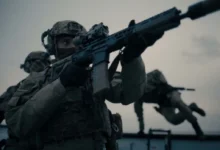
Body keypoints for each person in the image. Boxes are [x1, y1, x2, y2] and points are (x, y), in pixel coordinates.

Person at [5, 20, 163, 150]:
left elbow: (129, 94)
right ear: (54, 47)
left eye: (77, 41)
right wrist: (62, 84)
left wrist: (132, 58)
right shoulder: (36, 80)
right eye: (66, 42)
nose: (73, 47)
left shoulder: (95, 74)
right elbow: (18, 124)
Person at [133, 69, 206, 139]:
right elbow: (140, 116)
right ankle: (191, 107)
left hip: (170, 94)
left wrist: (162, 83)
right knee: (174, 120)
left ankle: (197, 128)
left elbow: (158, 72)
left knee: (178, 103)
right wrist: (141, 130)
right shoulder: (137, 97)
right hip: (163, 103)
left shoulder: (149, 77)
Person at [1, 51, 51, 150]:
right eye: (34, 63)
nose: (37, 66)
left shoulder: (54, 87)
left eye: (41, 63)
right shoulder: (14, 90)